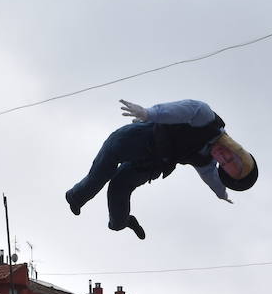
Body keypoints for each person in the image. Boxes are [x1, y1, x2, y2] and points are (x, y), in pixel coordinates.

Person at [65, 98, 258, 240]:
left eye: (223, 164)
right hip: (138, 139)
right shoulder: (205, 117)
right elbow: (180, 111)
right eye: (230, 157)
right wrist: (148, 114)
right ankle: (75, 197)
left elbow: (212, 179)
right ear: (236, 150)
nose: (222, 157)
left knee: (120, 186)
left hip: (154, 164)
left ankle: (121, 222)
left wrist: (222, 194)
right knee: (104, 168)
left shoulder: (206, 161)